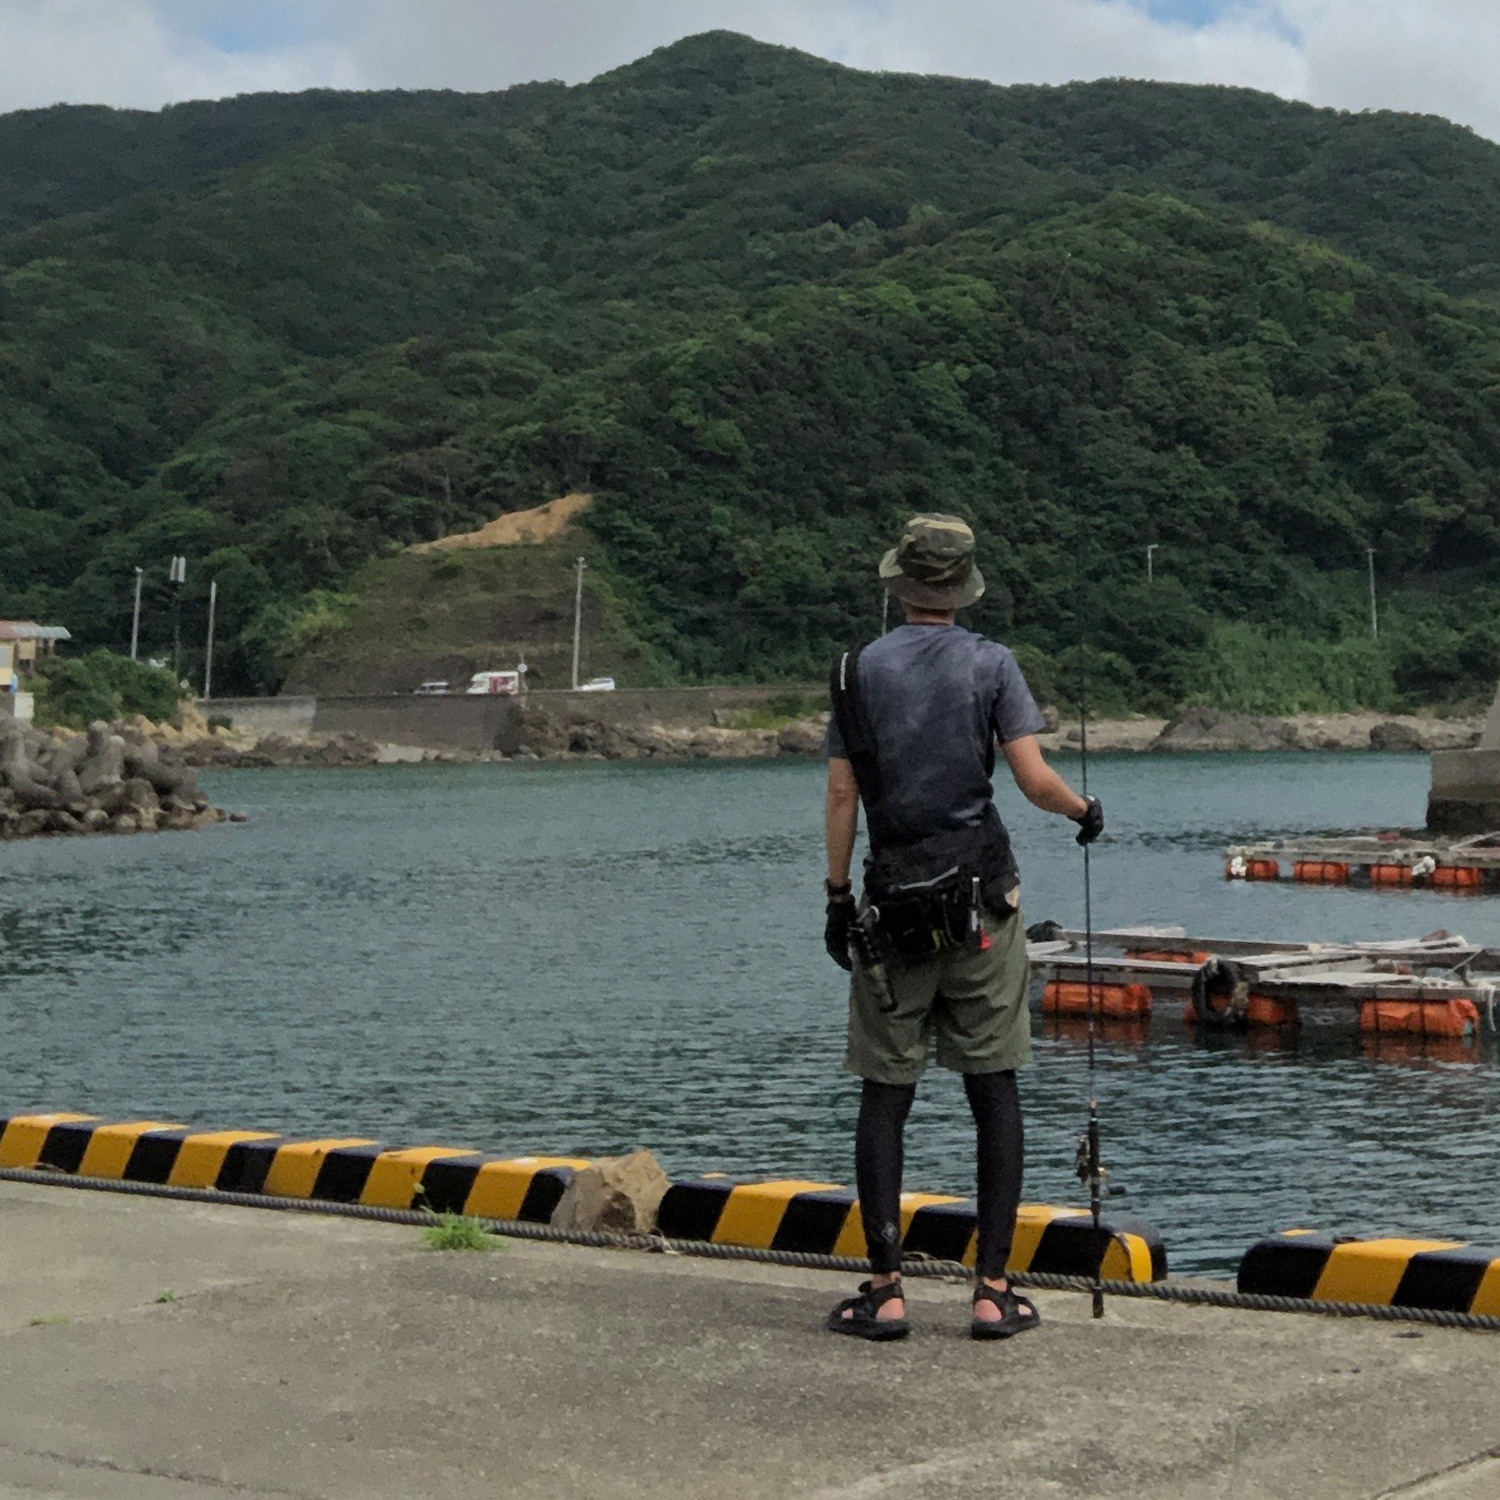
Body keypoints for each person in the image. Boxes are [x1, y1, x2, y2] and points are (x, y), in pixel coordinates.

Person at [822, 514, 1102, 1342]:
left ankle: (886, 1290)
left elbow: (842, 797)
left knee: (886, 1091)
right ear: (964, 586)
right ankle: (992, 1292)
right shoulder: (992, 664)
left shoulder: (856, 672)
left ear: (900, 585)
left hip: (893, 907)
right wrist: (1085, 811)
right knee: (994, 1087)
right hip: (983, 905)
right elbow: (1032, 779)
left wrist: (837, 898)